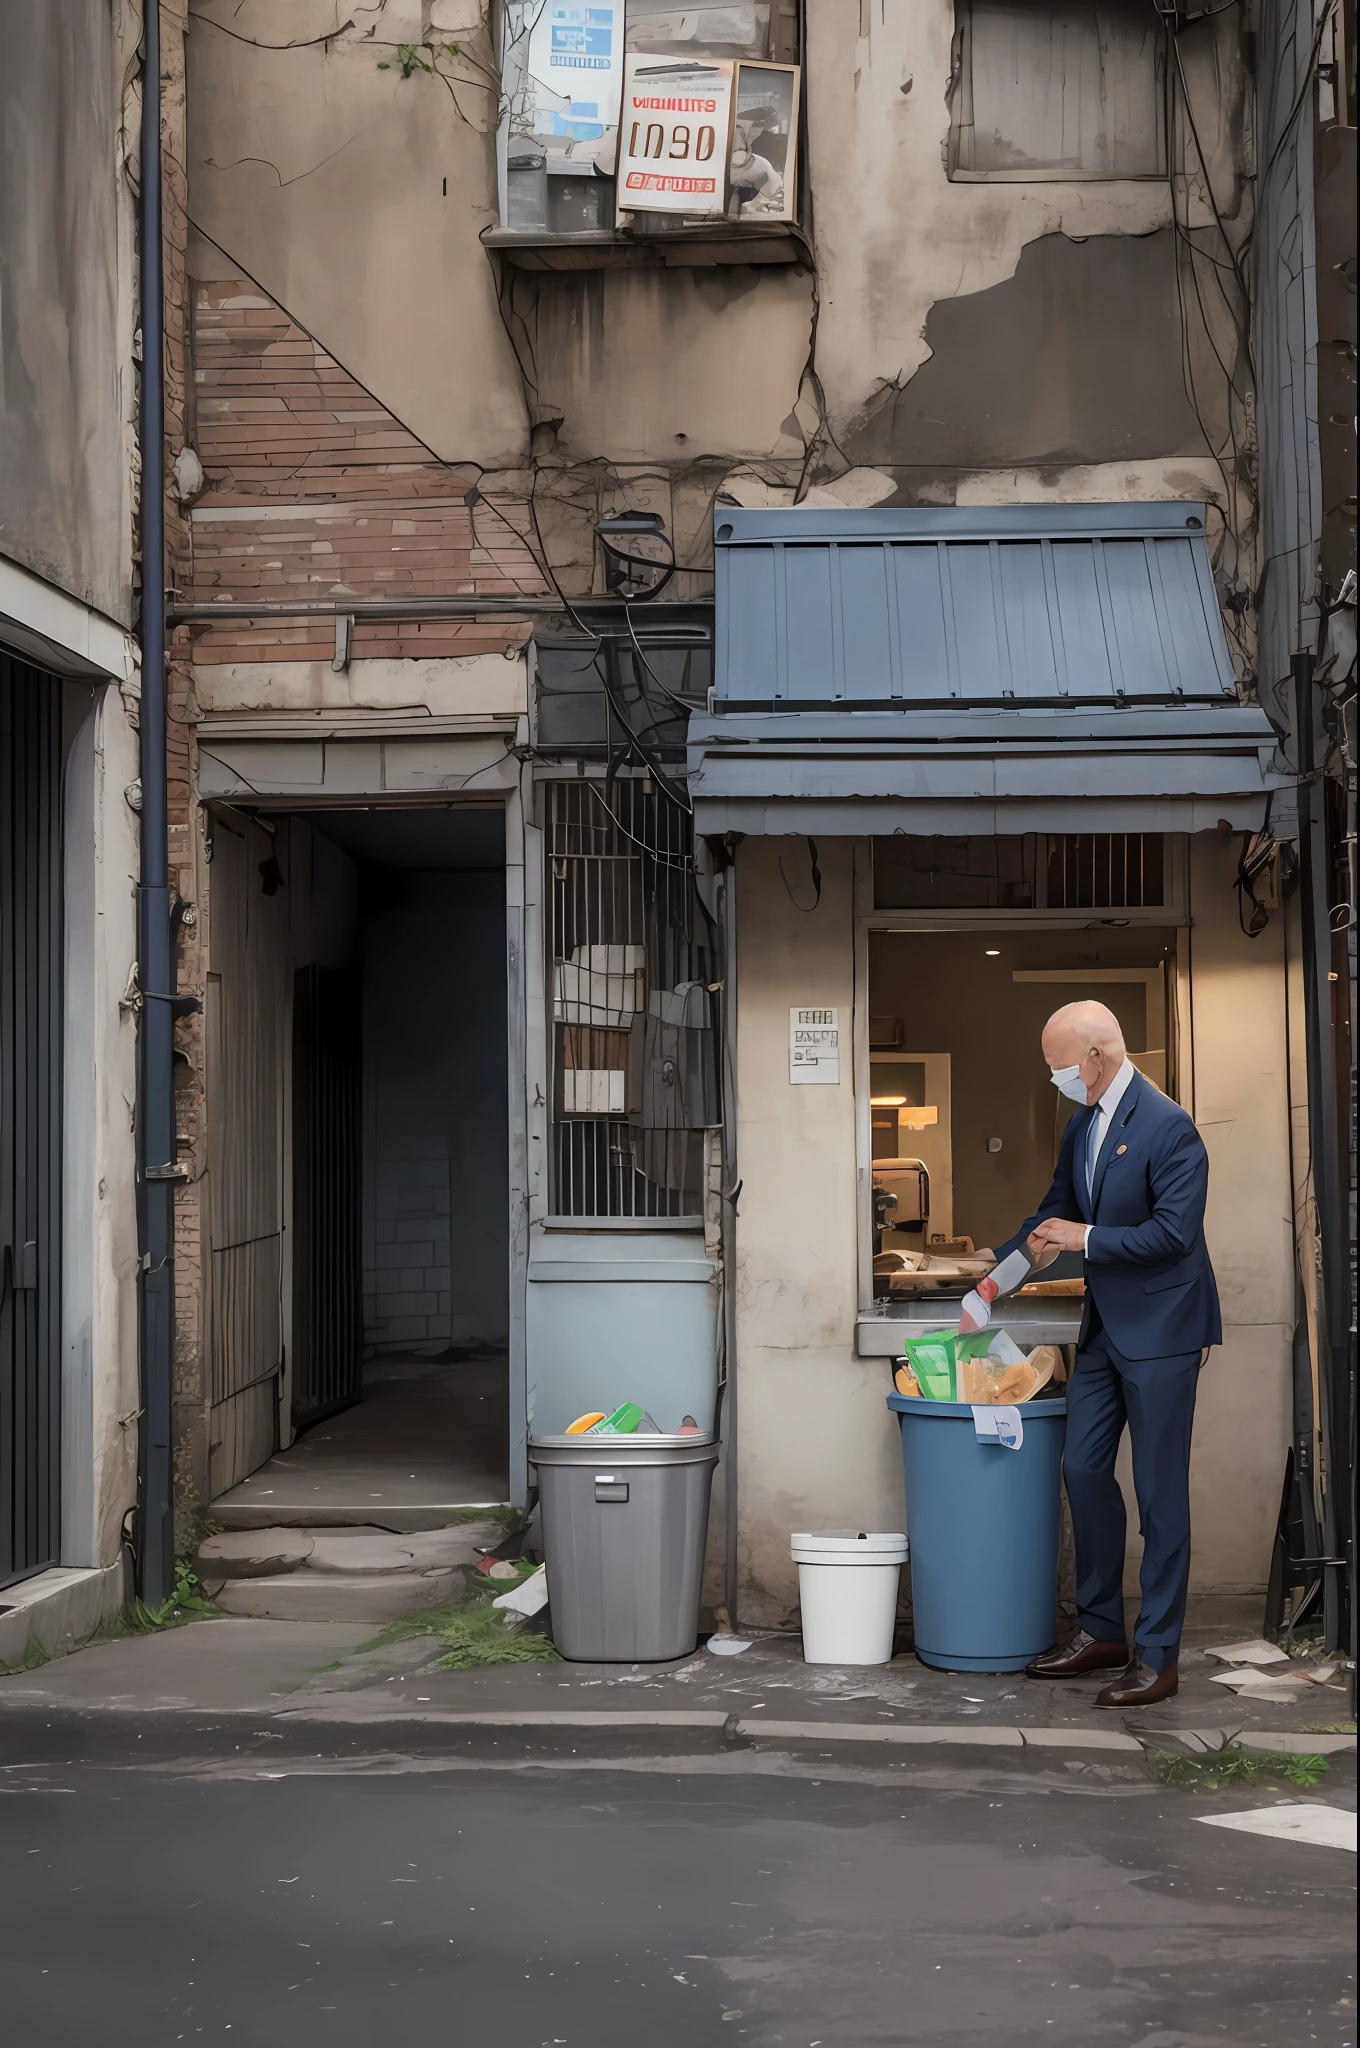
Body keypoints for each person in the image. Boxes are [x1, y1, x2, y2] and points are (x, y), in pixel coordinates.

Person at [991, 1000, 1220, 1706]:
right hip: (1105, 1333)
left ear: (1096, 1056)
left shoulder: (1170, 1128)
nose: (1054, 1077)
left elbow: (1171, 1236)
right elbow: (1053, 1209)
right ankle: (1101, 1632)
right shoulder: (1084, 1122)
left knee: (1159, 1496)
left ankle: (1157, 1654)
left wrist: (1082, 1241)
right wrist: (994, 1272)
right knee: (1082, 1468)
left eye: (1059, 1065)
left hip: (1162, 1334)